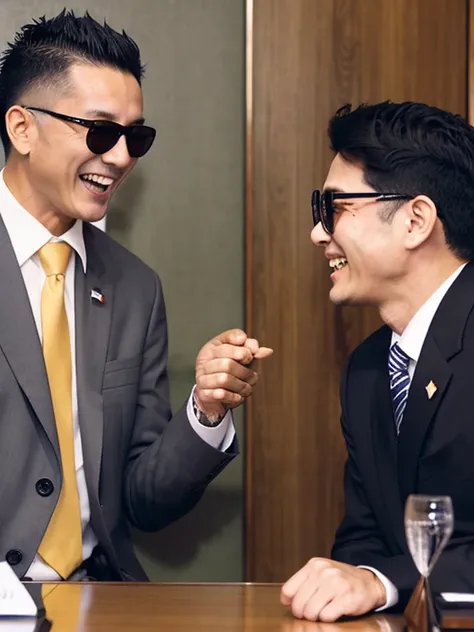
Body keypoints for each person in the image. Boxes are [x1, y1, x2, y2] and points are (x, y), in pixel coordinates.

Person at [0, 9, 272, 582]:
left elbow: (144, 500)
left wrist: (205, 409)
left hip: (100, 592)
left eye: (136, 137)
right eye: (100, 132)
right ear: (22, 128)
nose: (121, 157)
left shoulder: (134, 287)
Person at [281, 100, 474, 621]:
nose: (318, 234)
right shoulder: (368, 368)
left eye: (335, 208)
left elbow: (379, 574)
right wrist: (358, 579)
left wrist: (382, 581)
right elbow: (364, 541)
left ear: (415, 220)